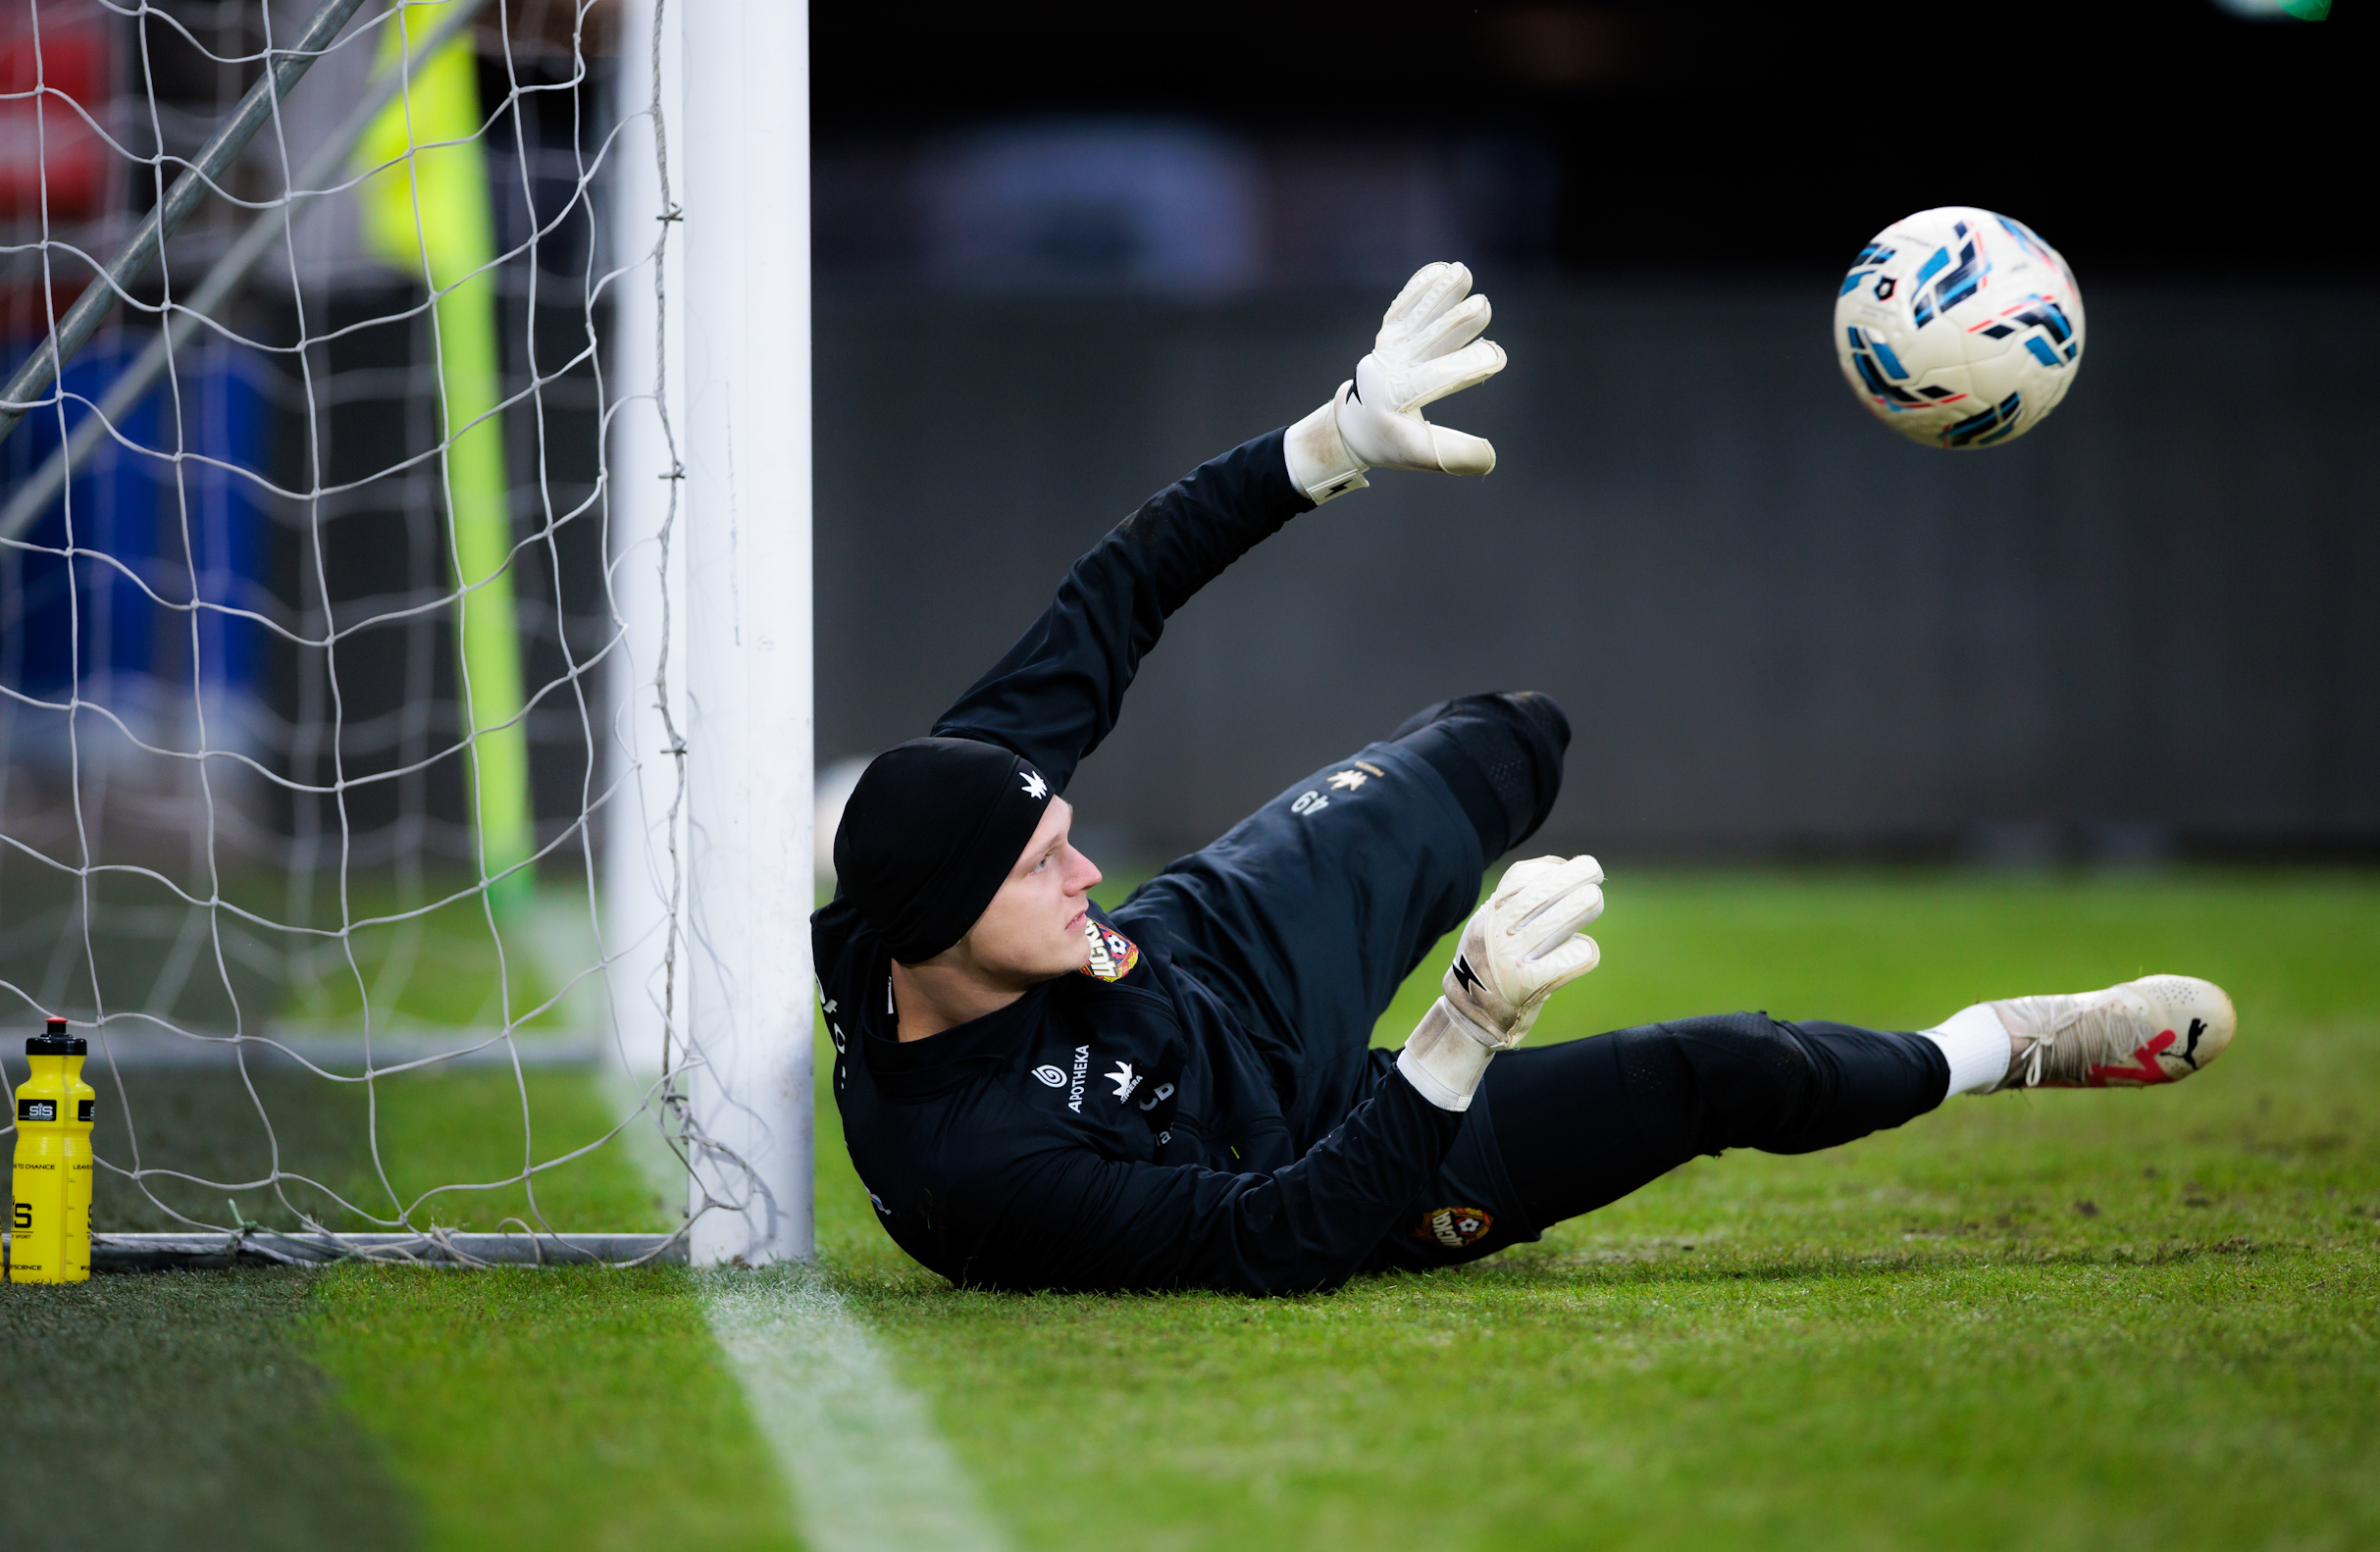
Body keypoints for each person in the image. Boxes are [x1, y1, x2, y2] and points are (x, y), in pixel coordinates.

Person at [812, 263, 2236, 1297]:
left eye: (1062, 834)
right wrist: (1462, 1031)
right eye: (1040, 866)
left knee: (1506, 739)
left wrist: (1326, 445)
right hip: (1321, 1155)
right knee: (1719, 1069)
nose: (1081, 864)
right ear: (941, 925)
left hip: (1214, 959)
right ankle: (2005, 1045)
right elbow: (1275, 1240)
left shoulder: (945, 822)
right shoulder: (980, 1167)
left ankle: (1458, 776)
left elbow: (1119, 589)